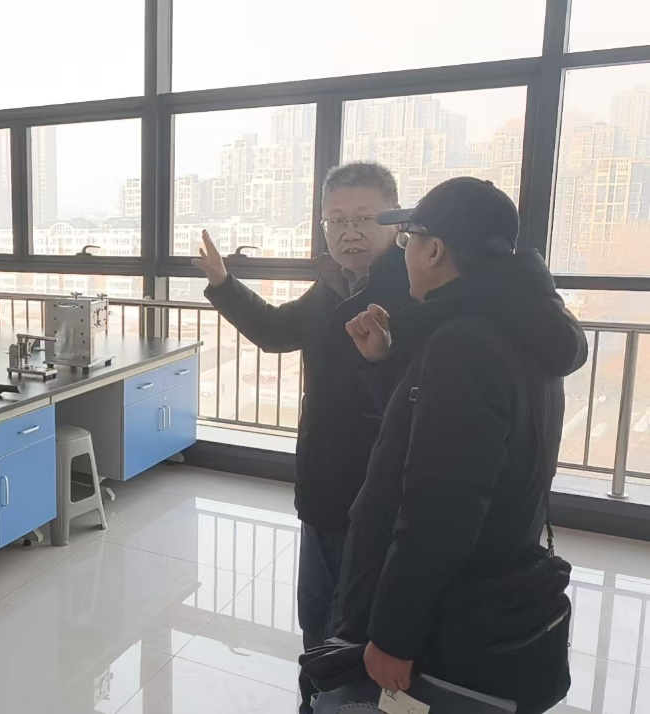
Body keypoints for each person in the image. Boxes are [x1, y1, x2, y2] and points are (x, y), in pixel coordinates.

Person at [336, 177, 584, 712]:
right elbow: (437, 434)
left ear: (434, 250)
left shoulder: (464, 341)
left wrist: (393, 635)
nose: (404, 253)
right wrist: (383, 365)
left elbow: (441, 507)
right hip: (495, 576)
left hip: (451, 606)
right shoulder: (522, 324)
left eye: (408, 240)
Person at [193, 161, 415, 712]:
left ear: (396, 221)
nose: (349, 232)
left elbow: (426, 400)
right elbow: (276, 331)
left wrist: (386, 359)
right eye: (336, 220)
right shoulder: (331, 287)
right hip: (322, 488)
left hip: (384, 499)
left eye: (364, 217)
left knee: (364, 633)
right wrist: (223, 283)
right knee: (317, 622)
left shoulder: (416, 290)